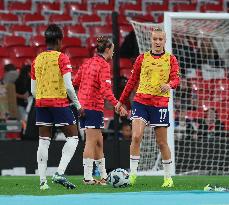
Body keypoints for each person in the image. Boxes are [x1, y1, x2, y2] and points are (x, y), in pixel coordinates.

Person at [115, 27, 180, 187]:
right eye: (155, 39)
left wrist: (170, 84)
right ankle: (133, 176)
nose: (157, 42)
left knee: (162, 142)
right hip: (141, 102)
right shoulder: (141, 58)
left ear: (164, 41)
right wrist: (121, 101)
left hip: (160, 104)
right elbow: (131, 81)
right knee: (136, 136)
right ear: (151, 40)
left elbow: (176, 80)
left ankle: (167, 178)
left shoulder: (171, 59)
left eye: (160, 39)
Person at [31, 24, 83, 190]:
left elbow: (33, 90)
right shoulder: (62, 58)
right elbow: (68, 86)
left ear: (46, 41)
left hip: (40, 103)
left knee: (43, 142)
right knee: (73, 137)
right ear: (60, 40)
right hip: (59, 103)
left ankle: (42, 182)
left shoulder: (36, 60)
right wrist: (78, 105)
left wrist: (41, 100)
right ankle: (59, 172)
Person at [73, 36, 127, 185]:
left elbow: (75, 82)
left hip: (83, 106)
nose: (113, 53)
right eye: (113, 50)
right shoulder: (103, 65)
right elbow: (105, 90)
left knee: (98, 142)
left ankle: (103, 176)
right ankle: (87, 177)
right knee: (91, 141)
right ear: (108, 50)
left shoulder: (86, 63)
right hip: (92, 106)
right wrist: (118, 105)